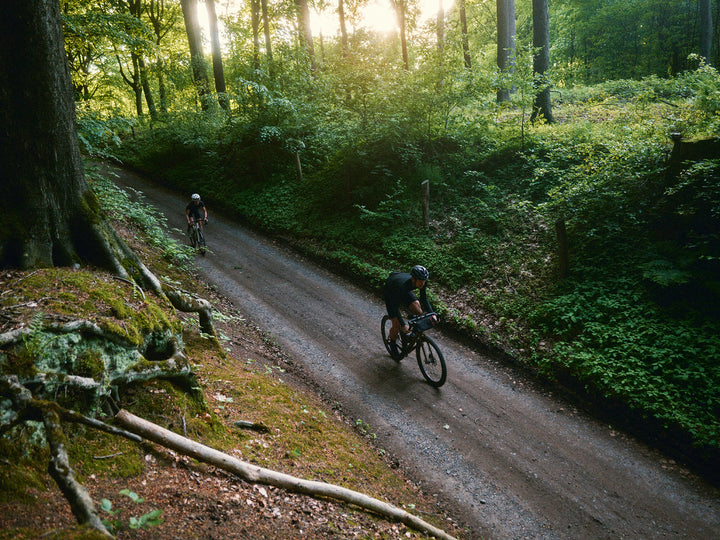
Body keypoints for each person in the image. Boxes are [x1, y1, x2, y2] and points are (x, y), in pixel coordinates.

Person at [383, 265, 437, 358]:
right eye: (420, 281)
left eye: (424, 281)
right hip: (391, 291)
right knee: (396, 324)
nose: (422, 284)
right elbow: (395, 307)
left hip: (404, 289)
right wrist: (403, 325)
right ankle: (392, 343)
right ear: (413, 279)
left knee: (418, 310)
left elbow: (423, 298)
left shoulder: (423, 281)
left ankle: (410, 333)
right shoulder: (402, 286)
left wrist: (432, 314)